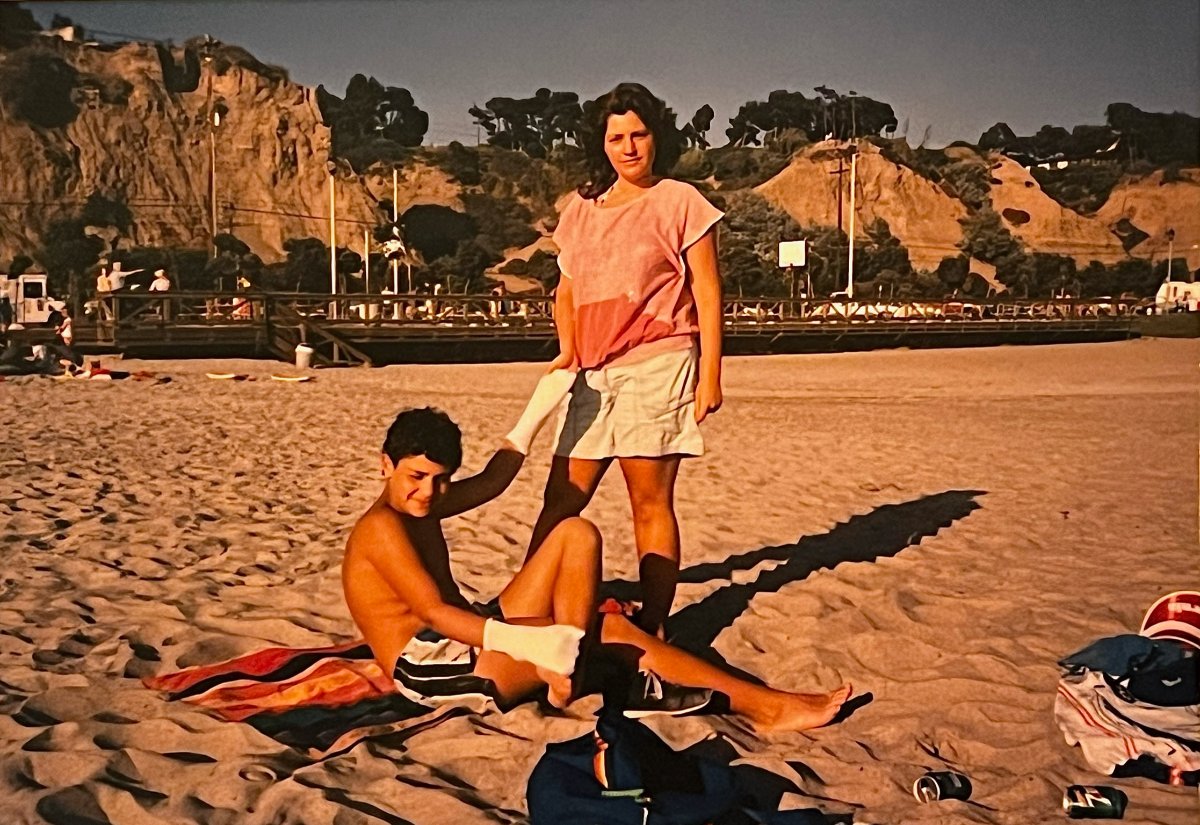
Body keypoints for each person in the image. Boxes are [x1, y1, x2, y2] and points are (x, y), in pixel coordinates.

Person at [341, 385, 851, 731]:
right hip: (430, 666)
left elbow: (495, 480)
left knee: (576, 532)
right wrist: (537, 641)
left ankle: (569, 671)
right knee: (610, 632)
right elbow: (433, 613)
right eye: (416, 477)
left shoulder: (423, 503)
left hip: (468, 633)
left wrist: (549, 390)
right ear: (385, 466)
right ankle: (766, 707)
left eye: (440, 480)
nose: (429, 491)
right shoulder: (382, 527)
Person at [532, 82, 725, 636]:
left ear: (656, 136)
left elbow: (707, 291)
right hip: (592, 374)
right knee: (561, 498)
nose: (629, 147)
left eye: (638, 134)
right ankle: (528, 608)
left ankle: (655, 625)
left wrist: (711, 376)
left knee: (649, 502)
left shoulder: (681, 201)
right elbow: (566, 291)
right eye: (616, 137)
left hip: (658, 364)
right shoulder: (580, 209)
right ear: (602, 143)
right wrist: (568, 350)